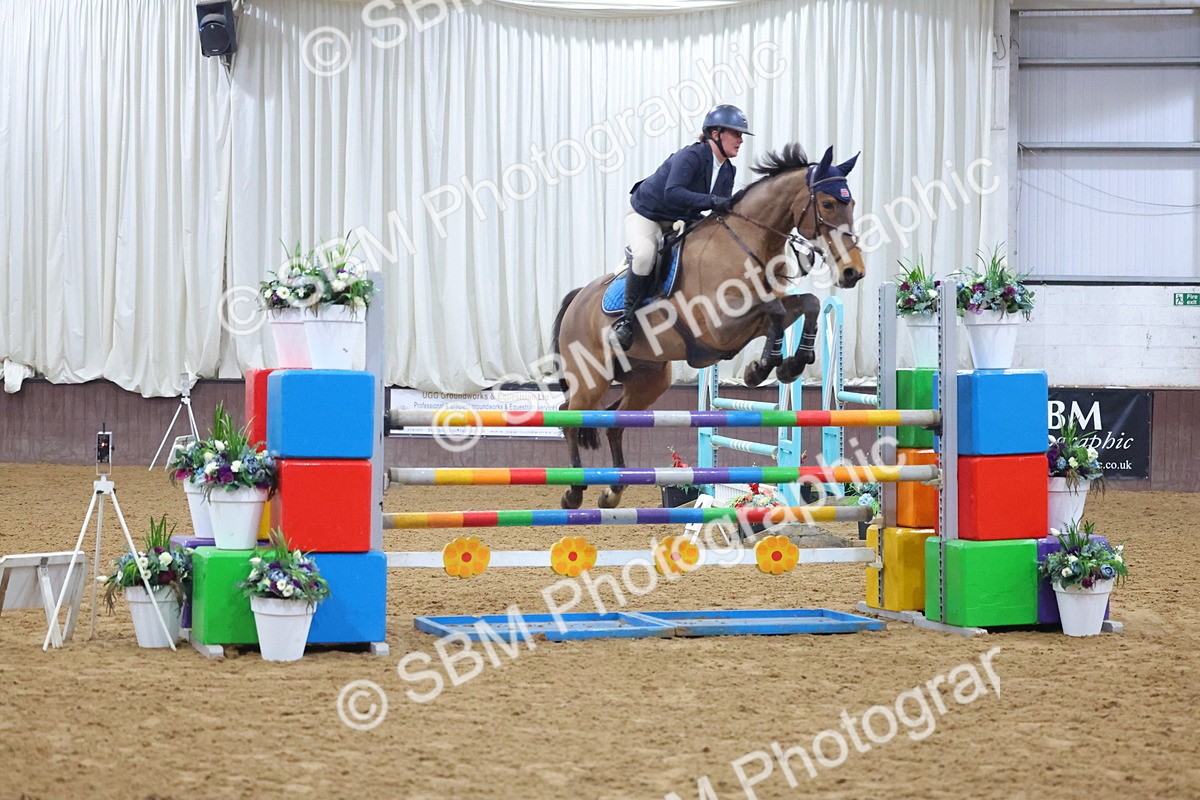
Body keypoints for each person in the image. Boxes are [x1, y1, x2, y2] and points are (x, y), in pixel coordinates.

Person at [610, 104, 752, 350]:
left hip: (682, 219)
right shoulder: (691, 156)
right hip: (648, 215)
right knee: (645, 255)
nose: (740, 140)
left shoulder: (728, 169)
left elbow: (719, 209)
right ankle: (626, 322)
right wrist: (712, 201)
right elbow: (673, 192)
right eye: (736, 133)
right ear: (716, 133)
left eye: (741, 135)